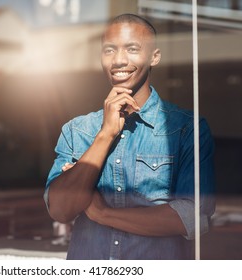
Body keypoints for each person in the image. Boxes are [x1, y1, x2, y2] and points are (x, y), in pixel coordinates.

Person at [44, 13, 215, 259]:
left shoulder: (186, 129)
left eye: (132, 49)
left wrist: (103, 213)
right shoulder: (77, 130)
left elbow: (192, 218)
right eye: (109, 50)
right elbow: (60, 210)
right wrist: (105, 134)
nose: (119, 60)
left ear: (154, 56)